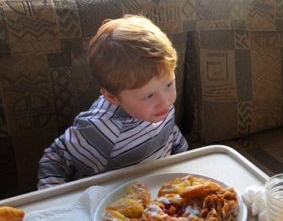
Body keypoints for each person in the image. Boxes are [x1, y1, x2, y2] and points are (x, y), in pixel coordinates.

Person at [37, 15, 188, 188]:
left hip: (158, 193)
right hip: (112, 205)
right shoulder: (101, 129)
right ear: (112, 97)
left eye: (169, 84)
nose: (165, 101)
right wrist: (56, 201)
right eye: (148, 96)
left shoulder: (159, 106)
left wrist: (186, 164)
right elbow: (55, 159)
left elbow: (171, 135)